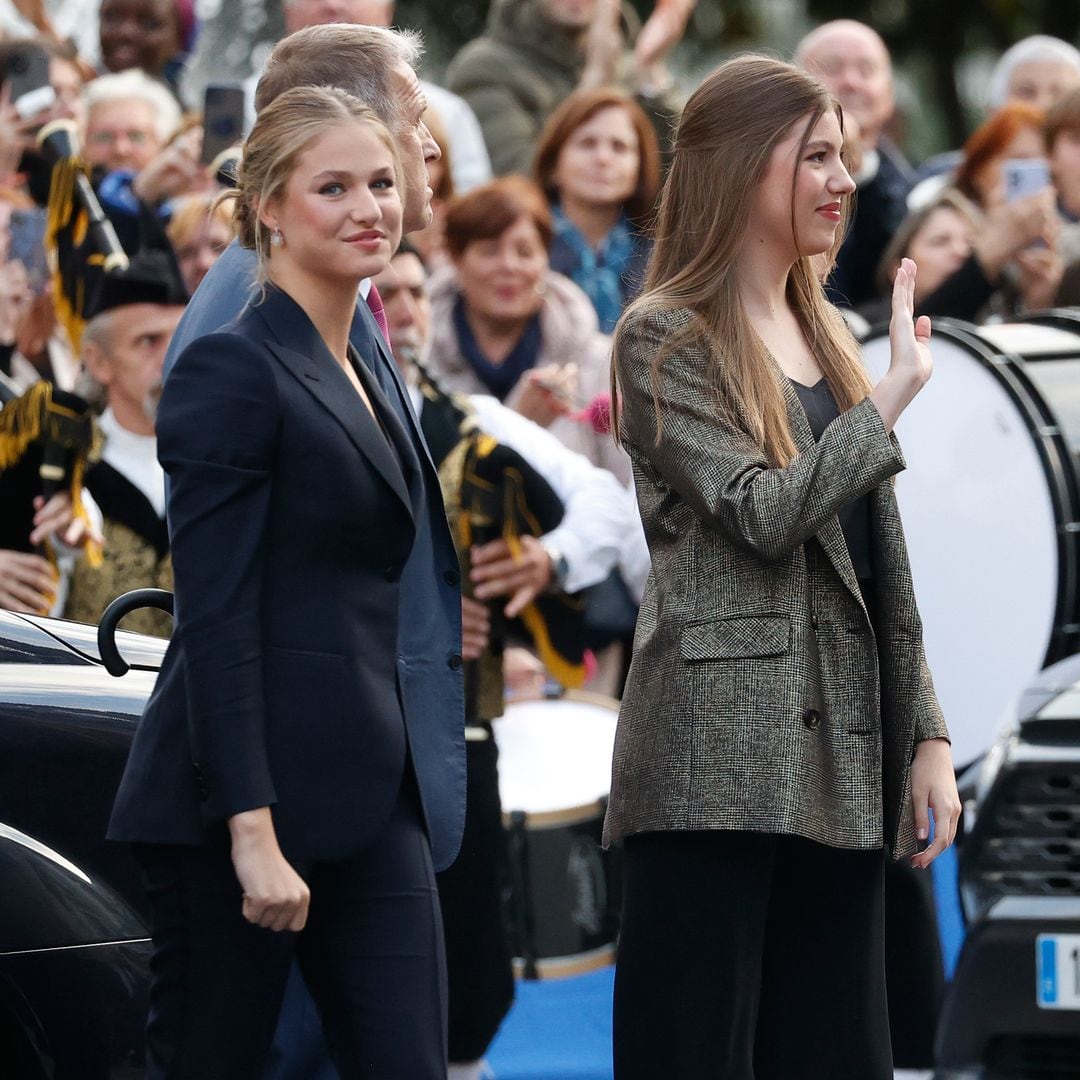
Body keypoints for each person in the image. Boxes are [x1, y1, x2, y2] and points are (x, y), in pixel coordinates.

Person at [605, 55, 961, 1079]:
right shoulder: (661, 336)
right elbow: (764, 515)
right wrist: (888, 400)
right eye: (815, 156)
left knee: (840, 1050)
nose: (843, 179)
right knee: (693, 1052)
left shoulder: (827, 329)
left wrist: (926, 732)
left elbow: (879, 561)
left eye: (844, 155)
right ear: (737, 169)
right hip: (712, 768)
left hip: (843, 756)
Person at [109, 84, 451, 1078]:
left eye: (382, 183)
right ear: (269, 208)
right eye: (333, 187)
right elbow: (215, 618)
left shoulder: (370, 360)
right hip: (237, 807)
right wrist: (250, 834)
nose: (368, 208)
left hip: (371, 790)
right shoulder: (229, 366)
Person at [160, 16, 467, 977]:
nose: (424, 146)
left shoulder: (352, 306)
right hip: (287, 799)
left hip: (366, 775)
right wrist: (254, 823)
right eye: (410, 115)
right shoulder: (243, 320)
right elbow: (223, 596)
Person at [375, 241, 637, 1079]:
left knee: (471, 976)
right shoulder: (305, 407)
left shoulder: (471, 416)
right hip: (356, 734)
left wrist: (544, 560)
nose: (405, 310)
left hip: (463, 731)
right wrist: (414, 619)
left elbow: (607, 508)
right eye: (388, 293)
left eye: (417, 293)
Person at [424, 175, 628, 482]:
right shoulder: (421, 364)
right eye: (490, 250)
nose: (509, 266)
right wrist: (517, 423)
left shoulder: (597, 362)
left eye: (525, 251)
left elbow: (628, 488)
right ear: (455, 259)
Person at [63, 249, 186, 637]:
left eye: (181, 337)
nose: (171, 358)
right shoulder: (64, 464)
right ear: (99, 363)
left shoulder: (229, 456)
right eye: (148, 341)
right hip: (91, 693)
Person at [447, 0, 689, 177]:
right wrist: (595, 84)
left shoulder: (628, 67)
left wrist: (650, 73)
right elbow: (519, 184)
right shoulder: (485, 68)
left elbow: (680, 185)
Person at [273, 0, 493, 193]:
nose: (333, 4)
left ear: (387, 10)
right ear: (287, 12)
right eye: (331, 189)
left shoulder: (449, 113)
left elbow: (471, 212)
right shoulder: (258, 103)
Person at [795, 19, 910, 308]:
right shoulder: (770, 189)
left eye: (866, 70)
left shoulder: (915, 192)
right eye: (831, 68)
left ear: (889, 93)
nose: (850, 82)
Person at [533, 87, 659, 332]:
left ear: (640, 167)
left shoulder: (665, 260)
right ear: (553, 165)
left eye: (619, 147)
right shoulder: (521, 249)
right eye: (587, 143)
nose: (603, 158)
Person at [858, 187, 1057, 326]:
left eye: (970, 244)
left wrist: (1037, 303)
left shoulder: (999, 320)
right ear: (896, 268)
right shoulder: (864, 326)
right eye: (940, 241)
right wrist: (985, 260)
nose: (960, 252)